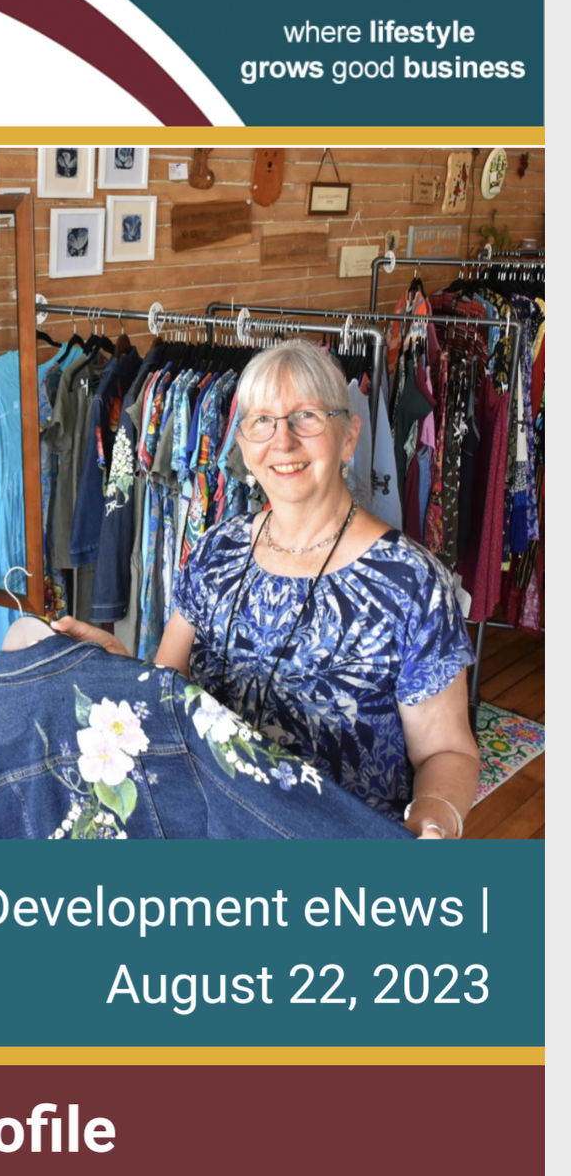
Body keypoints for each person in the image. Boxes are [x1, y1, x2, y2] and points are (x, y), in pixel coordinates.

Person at [55, 339, 479, 838]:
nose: (282, 441)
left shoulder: (411, 583)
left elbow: (446, 752)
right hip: (213, 832)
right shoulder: (217, 550)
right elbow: (167, 686)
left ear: (349, 437)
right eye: (262, 421)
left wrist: (435, 818)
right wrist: (118, 665)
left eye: (306, 416)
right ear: (242, 443)